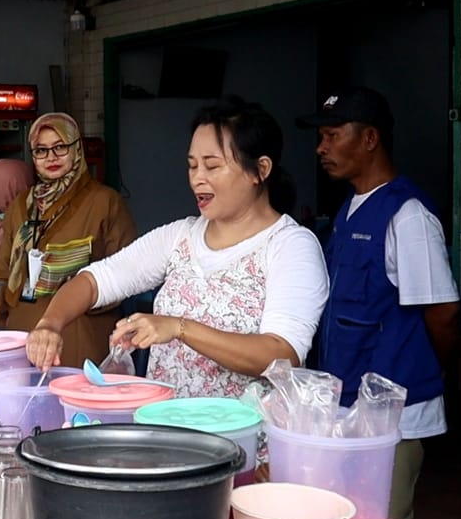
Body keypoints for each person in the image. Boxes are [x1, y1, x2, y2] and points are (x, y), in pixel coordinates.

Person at [26, 99, 329, 401]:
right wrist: (50, 324)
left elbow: (281, 354)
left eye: (212, 166)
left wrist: (179, 328)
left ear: (259, 170)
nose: (197, 178)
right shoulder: (180, 236)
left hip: (244, 441)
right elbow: (96, 280)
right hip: (168, 434)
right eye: (192, 165)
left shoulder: (290, 246)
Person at [298, 86, 460, 519]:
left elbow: (443, 314)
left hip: (393, 418)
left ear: (370, 139)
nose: (321, 147)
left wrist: (421, 370)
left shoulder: (407, 216)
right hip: (347, 406)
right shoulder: (348, 210)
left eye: (333, 135)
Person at [0, 113, 138, 367]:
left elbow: (127, 272)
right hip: (23, 332)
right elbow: (3, 270)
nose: (51, 157)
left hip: (78, 331)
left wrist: (73, 282)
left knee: (73, 402)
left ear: (76, 148)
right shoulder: (22, 204)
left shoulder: (105, 201)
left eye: (60, 147)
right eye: (41, 150)